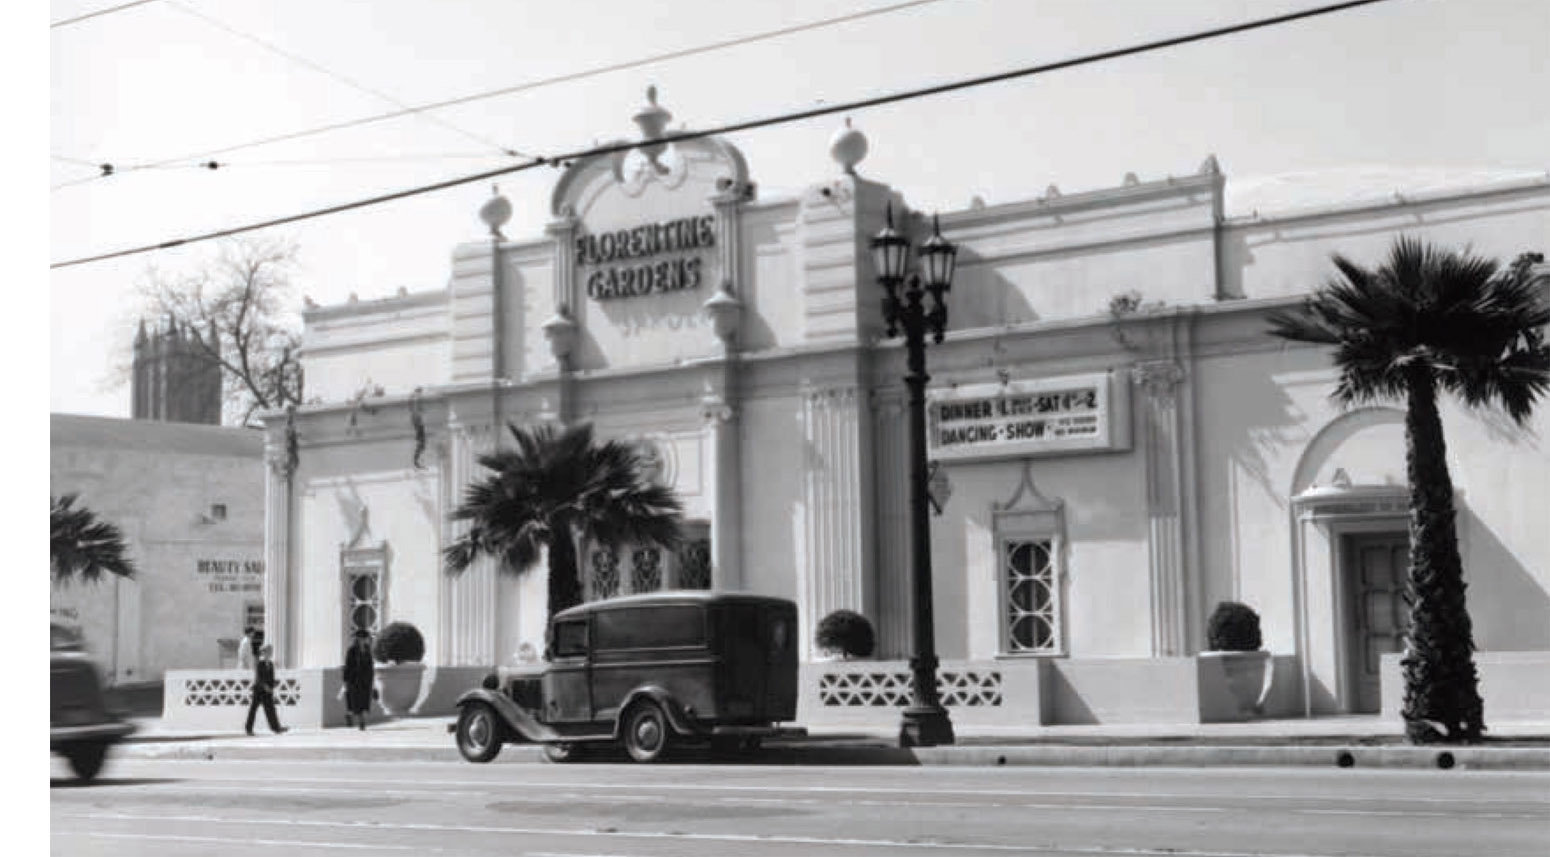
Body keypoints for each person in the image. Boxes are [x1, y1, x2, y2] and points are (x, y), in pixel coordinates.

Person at [245, 642, 288, 736]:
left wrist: (271, 688)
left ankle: (276, 727)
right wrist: (265, 687)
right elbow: (259, 678)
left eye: (271, 651)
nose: (270, 653)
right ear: (264, 652)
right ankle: (248, 729)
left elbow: (272, 677)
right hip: (259, 691)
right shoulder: (259, 663)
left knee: (271, 709)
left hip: (268, 691)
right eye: (269, 651)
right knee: (253, 709)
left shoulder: (271, 664)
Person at [341, 629, 375, 730]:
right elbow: (348, 665)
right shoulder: (352, 650)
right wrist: (345, 680)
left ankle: (353, 717)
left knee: (364, 702)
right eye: (364, 638)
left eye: (366, 638)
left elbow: (370, 665)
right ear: (359, 639)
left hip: (366, 680)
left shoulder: (367, 649)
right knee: (356, 702)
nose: (366, 640)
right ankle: (360, 721)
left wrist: (372, 679)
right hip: (354, 680)